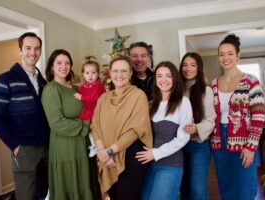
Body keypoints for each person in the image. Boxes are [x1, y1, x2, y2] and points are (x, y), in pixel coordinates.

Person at [0, 32, 49, 200]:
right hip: (24, 149)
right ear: (20, 50)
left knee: (45, 193)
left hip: (47, 147)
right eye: (28, 48)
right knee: (26, 195)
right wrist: (15, 146)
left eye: (37, 48)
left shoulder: (43, 81)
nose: (33, 52)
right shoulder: (6, 79)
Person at [211, 34, 265, 200]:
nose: (225, 58)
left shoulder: (251, 81)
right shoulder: (214, 84)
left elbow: (259, 115)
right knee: (225, 187)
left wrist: (251, 146)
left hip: (244, 141)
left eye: (230, 53)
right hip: (219, 141)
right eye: (221, 54)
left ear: (237, 56)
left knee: (244, 188)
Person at [91, 55, 153, 200]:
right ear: (110, 73)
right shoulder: (103, 98)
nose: (119, 75)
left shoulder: (138, 96)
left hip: (131, 157)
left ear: (131, 73)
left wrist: (111, 151)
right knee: (113, 195)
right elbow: (95, 126)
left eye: (124, 71)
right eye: (115, 71)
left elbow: (135, 130)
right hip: (107, 158)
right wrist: (103, 153)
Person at [136, 61, 193, 200]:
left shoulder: (183, 102)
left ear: (175, 78)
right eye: (159, 76)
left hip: (170, 165)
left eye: (168, 76)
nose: (163, 80)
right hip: (150, 166)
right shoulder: (150, 104)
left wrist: (155, 153)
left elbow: (183, 138)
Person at [41, 49, 92, 200]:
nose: (64, 66)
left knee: (82, 181)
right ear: (51, 66)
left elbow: (91, 106)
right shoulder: (51, 89)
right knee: (69, 183)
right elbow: (56, 123)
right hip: (64, 145)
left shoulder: (77, 89)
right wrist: (84, 125)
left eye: (67, 63)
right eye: (59, 63)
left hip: (81, 143)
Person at [179, 52, 216, 200]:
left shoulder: (206, 91)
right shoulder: (175, 90)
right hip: (178, 146)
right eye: (185, 65)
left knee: (197, 191)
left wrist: (197, 128)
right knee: (184, 189)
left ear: (199, 68)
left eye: (193, 65)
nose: (188, 69)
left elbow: (210, 120)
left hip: (198, 146)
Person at [74, 56, 106, 157]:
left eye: (93, 73)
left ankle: (97, 146)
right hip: (87, 110)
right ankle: (94, 145)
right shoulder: (84, 86)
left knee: (95, 129)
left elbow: (94, 97)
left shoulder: (98, 85)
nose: (90, 75)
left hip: (96, 110)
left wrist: (81, 97)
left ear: (97, 74)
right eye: (87, 73)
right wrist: (76, 87)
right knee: (89, 130)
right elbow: (79, 90)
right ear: (83, 74)